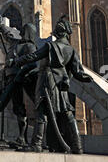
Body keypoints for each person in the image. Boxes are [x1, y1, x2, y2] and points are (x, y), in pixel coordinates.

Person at [14, 15, 93, 154]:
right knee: (68, 113)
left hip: (47, 82)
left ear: (57, 32)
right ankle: (78, 146)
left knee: (42, 112)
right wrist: (87, 78)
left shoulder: (51, 46)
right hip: (62, 84)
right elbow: (78, 72)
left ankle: (37, 144)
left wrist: (17, 61)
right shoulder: (71, 50)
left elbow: (33, 56)